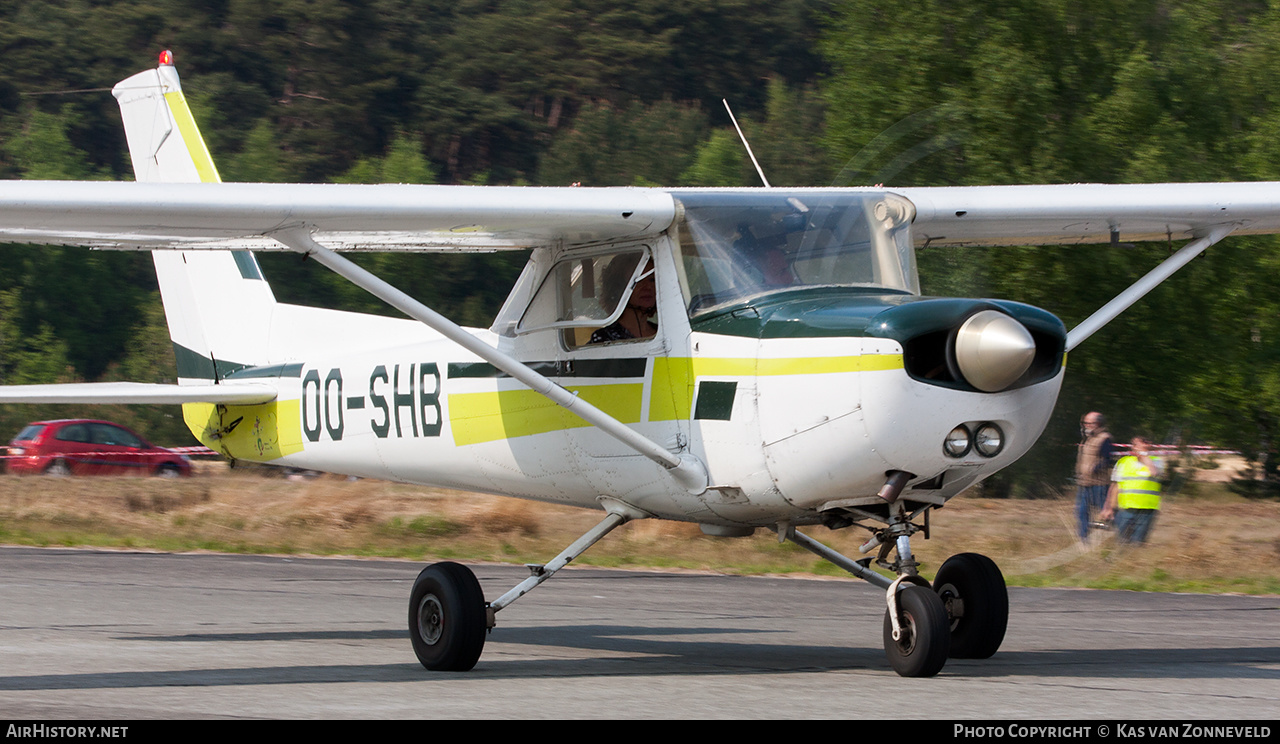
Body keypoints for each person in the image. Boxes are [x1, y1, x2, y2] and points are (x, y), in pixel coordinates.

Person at [1100, 436, 1163, 544]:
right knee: (1122, 542)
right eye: (1135, 444)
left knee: (1137, 543)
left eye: (1142, 444)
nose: (1138, 447)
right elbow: (1115, 486)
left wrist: (1144, 456)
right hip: (1126, 509)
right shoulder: (1123, 462)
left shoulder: (1157, 462)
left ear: (1149, 445)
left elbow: (1154, 472)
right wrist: (1109, 508)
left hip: (1146, 510)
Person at [590, 259, 657, 344]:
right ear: (618, 288)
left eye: (652, 280)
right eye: (638, 280)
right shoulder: (603, 339)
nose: (648, 287)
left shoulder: (664, 331)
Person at [1074, 411, 1114, 541]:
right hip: (1084, 483)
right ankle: (1084, 539)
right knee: (1081, 512)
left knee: (1105, 512)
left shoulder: (1104, 438)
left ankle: (1119, 532)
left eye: (1088, 423)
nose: (1086, 425)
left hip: (1098, 484)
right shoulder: (1087, 438)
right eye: (1085, 423)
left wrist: (1096, 468)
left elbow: (1108, 458)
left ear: (1097, 424)